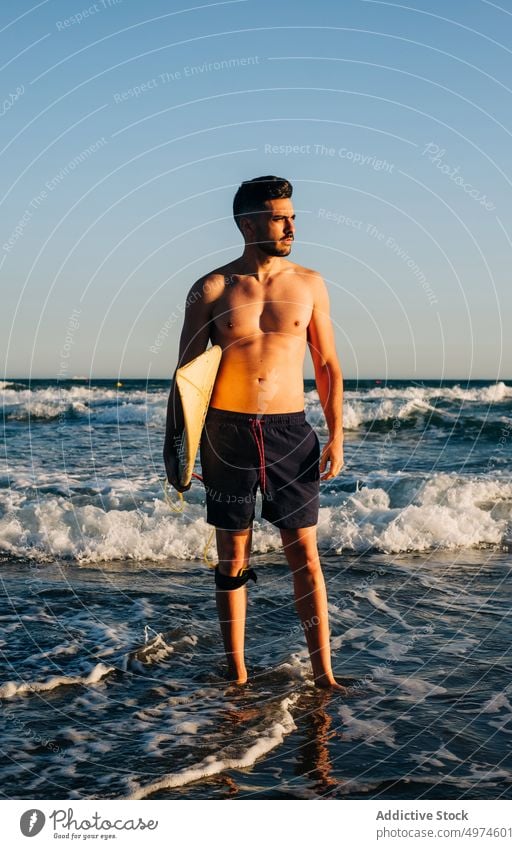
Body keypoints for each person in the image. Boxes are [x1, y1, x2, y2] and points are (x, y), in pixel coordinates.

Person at [164, 176, 344, 689]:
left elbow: (327, 363)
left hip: (291, 431)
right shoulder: (212, 288)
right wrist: (180, 447)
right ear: (248, 223)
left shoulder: (309, 283)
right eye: (279, 217)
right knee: (233, 556)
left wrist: (336, 435)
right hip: (227, 431)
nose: (291, 225)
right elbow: (187, 373)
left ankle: (324, 674)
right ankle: (237, 672)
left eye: (292, 216)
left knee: (305, 557)